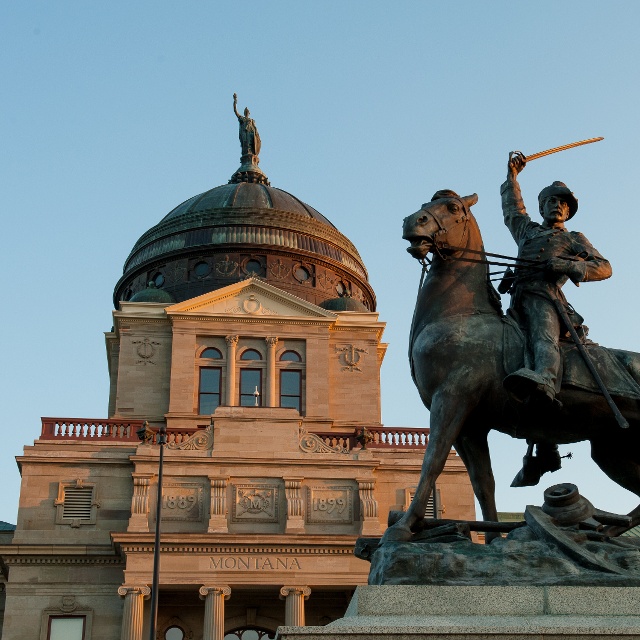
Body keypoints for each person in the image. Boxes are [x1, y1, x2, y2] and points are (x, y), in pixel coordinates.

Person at [501, 152, 612, 486]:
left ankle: (546, 379)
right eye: (551, 201)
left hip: (545, 298)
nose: (557, 207)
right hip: (516, 300)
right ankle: (541, 446)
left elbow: (604, 267)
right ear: (543, 206)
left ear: (568, 210)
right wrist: (512, 178)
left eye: (562, 204)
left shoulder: (573, 238)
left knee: (542, 337)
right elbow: (512, 211)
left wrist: (568, 266)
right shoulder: (528, 233)